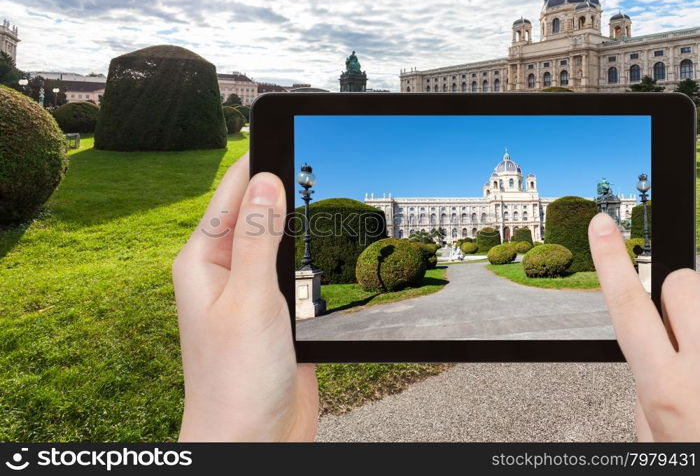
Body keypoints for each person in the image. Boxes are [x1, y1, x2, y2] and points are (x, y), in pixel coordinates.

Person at [174, 155, 700, 441]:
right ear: (497, 186)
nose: (510, 193)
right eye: (505, 187)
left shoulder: (529, 199)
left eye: (514, 186)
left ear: (520, 184)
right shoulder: (480, 202)